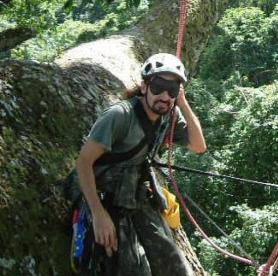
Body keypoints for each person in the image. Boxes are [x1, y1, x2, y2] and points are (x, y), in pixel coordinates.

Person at [74, 52, 206, 275]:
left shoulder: (169, 116)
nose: (164, 96)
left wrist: (182, 103)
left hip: (134, 193)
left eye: (172, 90)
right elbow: (83, 163)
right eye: (158, 87)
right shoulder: (119, 115)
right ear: (145, 87)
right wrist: (98, 214)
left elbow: (199, 145)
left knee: (177, 267)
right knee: (132, 268)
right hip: (104, 193)